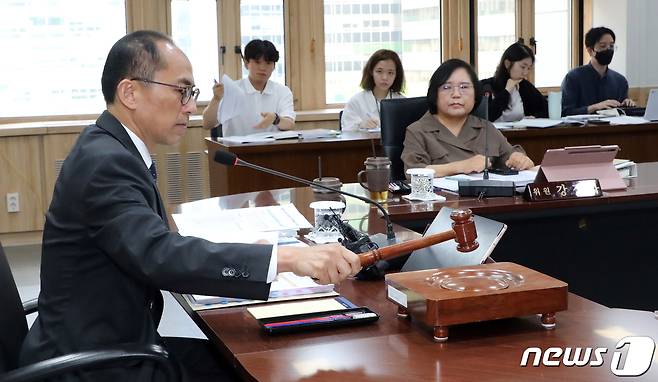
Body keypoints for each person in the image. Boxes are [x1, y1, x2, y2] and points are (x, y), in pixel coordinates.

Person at [19, 30, 361, 382]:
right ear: (130, 92)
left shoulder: (110, 148)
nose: (191, 106)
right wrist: (287, 259)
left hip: (111, 342)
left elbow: (150, 240)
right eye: (182, 91)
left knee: (251, 355)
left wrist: (247, 253)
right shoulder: (105, 161)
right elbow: (158, 254)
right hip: (94, 364)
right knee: (260, 367)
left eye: (192, 93)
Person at [401, 59, 534, 178]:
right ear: (434, 94)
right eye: (447, 87)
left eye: (464, 87)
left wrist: (519, 159)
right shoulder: (418, 131)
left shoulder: (486, 128)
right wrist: (462, 166)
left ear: (476, 94)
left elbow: (510, 154)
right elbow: (414, 173)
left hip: (486, 201)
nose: (456, 94)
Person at [202, 39, 295, 136]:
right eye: (257, 62)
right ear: (246, 63)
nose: (263, 68)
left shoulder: (282, 91)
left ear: (274, 66)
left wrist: (276, 119)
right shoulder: (231, 89)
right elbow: (207, 124)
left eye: (268, 63)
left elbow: (290, 124)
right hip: (236, 150)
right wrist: (216, 98)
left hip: (271, 149)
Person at [561, 26, 635, 116]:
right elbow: (566, 112)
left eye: (611, 46)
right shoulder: (573, 78)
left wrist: (627, 104)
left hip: (613, 128)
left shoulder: (620, 81)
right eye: (603, 46)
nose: (608, 49)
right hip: (584, 129)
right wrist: (595, 107)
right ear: (590, 51)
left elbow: (622, 112)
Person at [480, 42, 547, 122]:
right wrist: (507, 91)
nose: (525, 73)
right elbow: (488, 116)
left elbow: (546, 109)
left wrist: (534, 117)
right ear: (507, 64)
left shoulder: (525, 86)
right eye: (523, 67)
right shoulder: (486, 86)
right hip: (492, 134)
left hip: (520, 133)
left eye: (529, 68)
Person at [341, 49, 405, 131]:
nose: (384, 77)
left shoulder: (403, 102)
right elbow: (346, 131)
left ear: (396, 75)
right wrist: (360, 125)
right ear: (371, 72)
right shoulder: (356, 101)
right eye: (379, 71)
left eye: (390, 73)